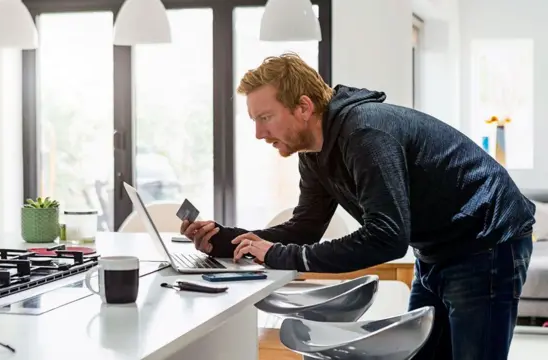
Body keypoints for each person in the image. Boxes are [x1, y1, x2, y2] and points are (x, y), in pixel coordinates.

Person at [179, 52, 535, 359]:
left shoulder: (365, 134)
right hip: (438, 251)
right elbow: (305, 228)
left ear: (303, 107)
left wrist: (282, 254)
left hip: (488, 242)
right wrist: (228, 241)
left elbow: (387, 238)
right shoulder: (314, 152)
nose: (259, 133)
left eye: (265, 118)